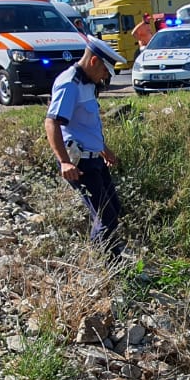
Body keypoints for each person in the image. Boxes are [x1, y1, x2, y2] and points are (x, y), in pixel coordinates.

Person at [44, 45, 121, 249]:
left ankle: (109, 256)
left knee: (114, 208)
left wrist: (104, 149)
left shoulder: (88, 83)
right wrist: (64, 162)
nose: (105, 76)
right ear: (94, 61)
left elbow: (86, 125)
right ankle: (107, 265)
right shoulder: (70, 84)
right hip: (80, 164)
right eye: (105, 70)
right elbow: (51, 123)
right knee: (106, 218)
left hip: (95, 158)